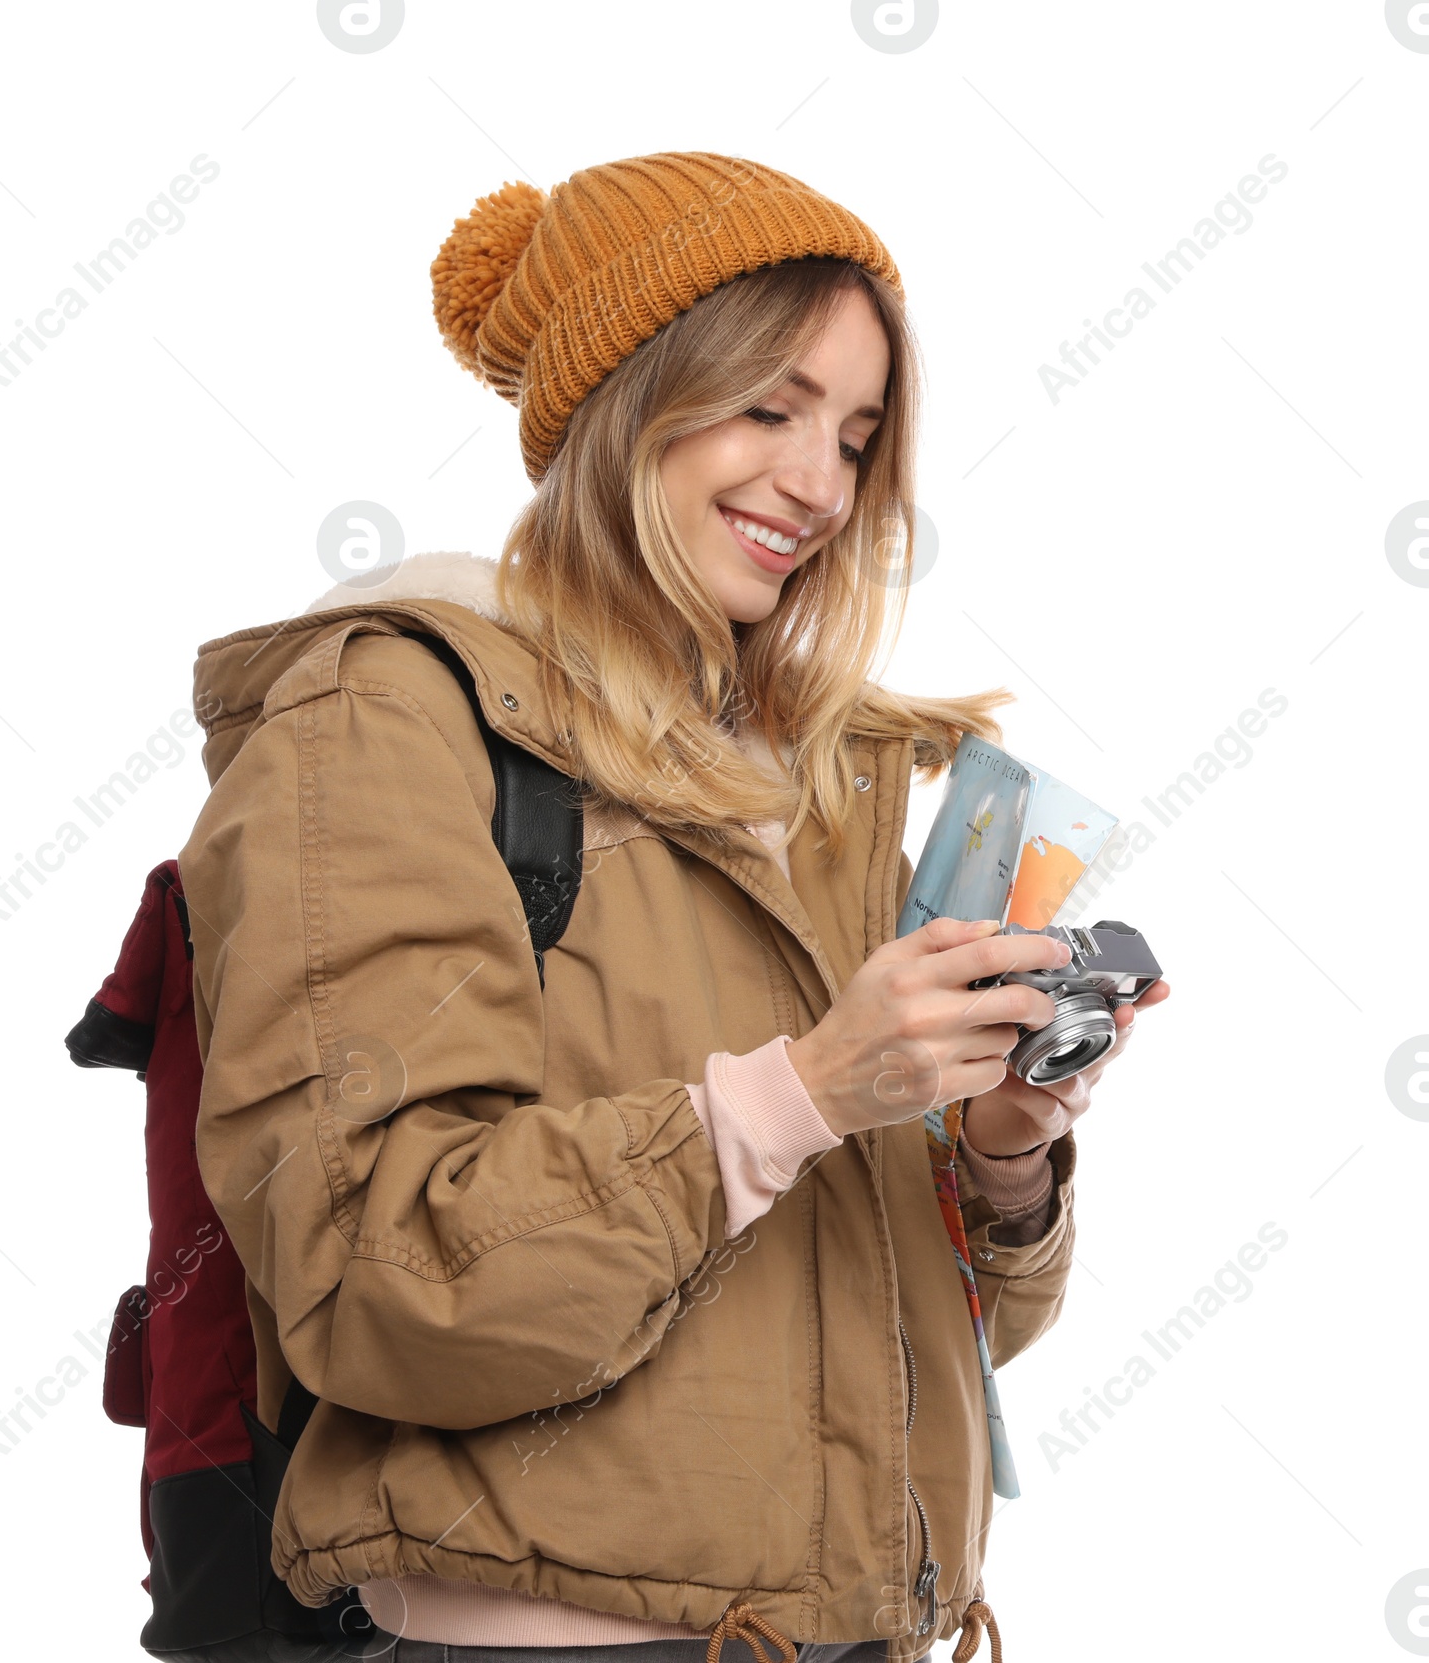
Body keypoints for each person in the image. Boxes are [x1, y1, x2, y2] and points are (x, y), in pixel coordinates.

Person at [177, 151, 1171, 1663]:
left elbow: (868, 1339)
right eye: (769, 406)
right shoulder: (385, 717)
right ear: (626, 395)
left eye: (854, 435)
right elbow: (379, 1277)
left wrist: (1000, 1156)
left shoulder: (811, 785)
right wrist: (804, 1089)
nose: (819, 485)